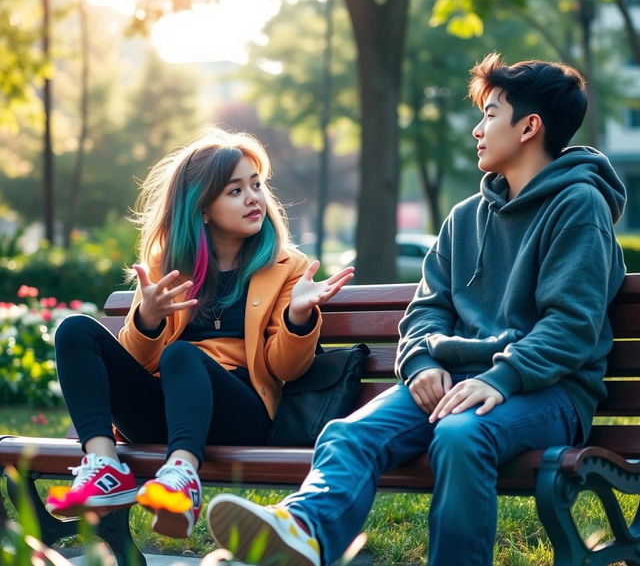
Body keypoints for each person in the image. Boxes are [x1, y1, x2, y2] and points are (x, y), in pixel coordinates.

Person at [206, 53, 627, 566]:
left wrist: (501, 378)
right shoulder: (465, 217)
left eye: (491, 114)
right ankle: (306, 534)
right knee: (349, 433)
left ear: (529, 127)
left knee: (461, 436)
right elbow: (426, 312)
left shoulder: (577, 205)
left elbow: (571, 326)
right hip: (454, 384)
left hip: (546, 391)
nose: (478, 128)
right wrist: (422, 364)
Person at [46, 129, 354, 539]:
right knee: (74, 330)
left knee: (183, 355)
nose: (253, 198)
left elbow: (288, 369)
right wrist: (148, 319)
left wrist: (299, 315)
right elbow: (139, 365)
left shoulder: (287, 267)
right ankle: (104, 467)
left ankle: (182, 478)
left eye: (256, 185)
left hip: (241, 412)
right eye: (235, 190)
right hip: (166, 410)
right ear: (203, 207)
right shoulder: (167, 268)